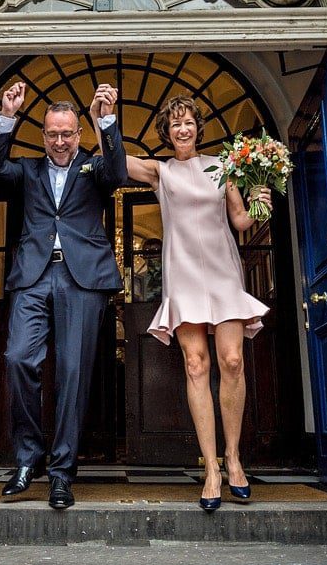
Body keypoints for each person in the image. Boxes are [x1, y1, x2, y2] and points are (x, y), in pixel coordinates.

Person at [94, 95, 269, 511]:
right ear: (167, 133)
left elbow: (241, 220)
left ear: (198, 126)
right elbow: (115, 160)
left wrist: (262, 200)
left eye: (188, 122)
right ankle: (210, 467)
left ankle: (234, 459)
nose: (183, 129)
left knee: (231, 361)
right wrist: (104, 117)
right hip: (185, 274)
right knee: (196, 365)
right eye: (175, 125)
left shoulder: (223, 166)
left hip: (223, 271)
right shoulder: (161, 172)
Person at [0, 80, 127, 509]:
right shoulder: (27, 169)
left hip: (82, 280)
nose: (60, 141)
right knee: (18, 358)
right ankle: (28, 460)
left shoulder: (94, 167)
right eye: (52, 134)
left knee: (72, 374)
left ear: (78, 134)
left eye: (67, 134)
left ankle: (62, 473)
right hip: (33, 276)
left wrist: (107, 120)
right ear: (43, 134)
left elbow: (117, 173)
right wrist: (6, 115)